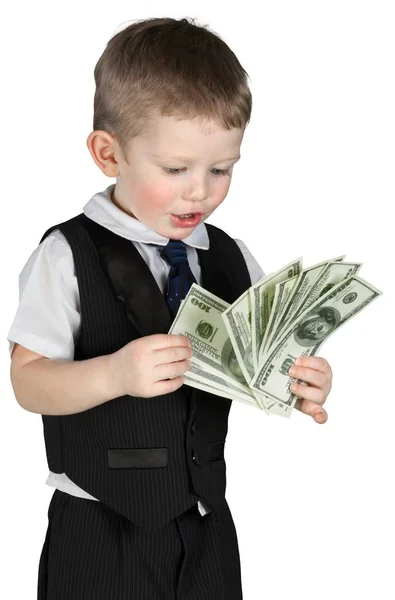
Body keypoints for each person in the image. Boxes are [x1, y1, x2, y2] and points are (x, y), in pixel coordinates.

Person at [7, 16, 333, 600]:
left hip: (205, 522)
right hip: (99, 525)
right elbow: (28, 384)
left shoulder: (231, 257)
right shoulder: (66, 255)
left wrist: (300, 380)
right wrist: (113, 373)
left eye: (221, 170)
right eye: (175, 169)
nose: (199, 192)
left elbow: (260, 361)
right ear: (109, 154)